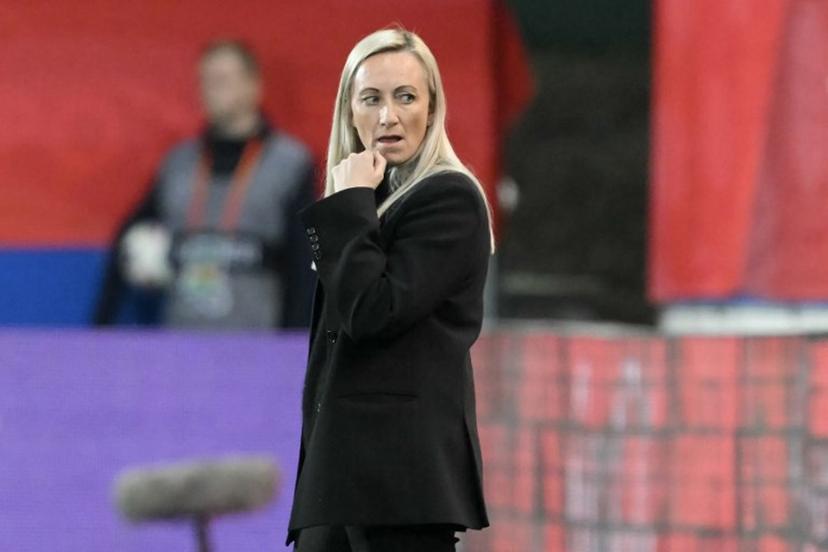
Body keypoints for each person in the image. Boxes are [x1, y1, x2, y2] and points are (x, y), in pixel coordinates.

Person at [286, 27, 495, 551]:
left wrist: (351, 202)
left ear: (432, 107)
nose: (388, 116)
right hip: (337, 479)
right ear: (349, 112)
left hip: (403, 483)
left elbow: (372, 311)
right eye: (371, 99)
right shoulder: (367, 203)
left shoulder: (449, 196)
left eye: (406, 97)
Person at [93, 39, 316, 329]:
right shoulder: (178, 164)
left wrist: (296, 347)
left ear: (254, 86)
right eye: (205, 80)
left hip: (258, 346)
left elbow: (304, 261)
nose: (211, 89)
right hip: (182, 343)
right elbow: (128, 238)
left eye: (222, 79)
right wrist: (100, 325)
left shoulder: (290, 163)